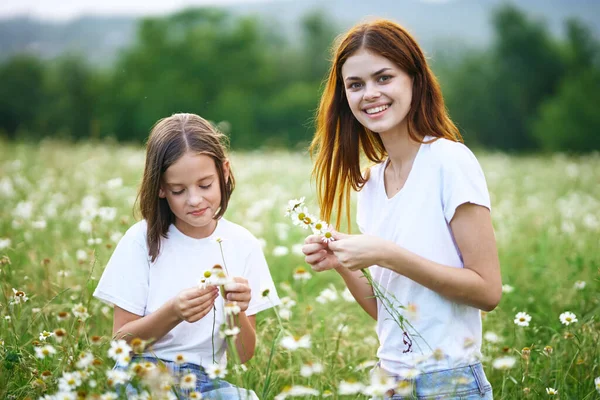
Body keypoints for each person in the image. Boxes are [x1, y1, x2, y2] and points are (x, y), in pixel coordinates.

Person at [303, 19, 501, 399]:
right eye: (355, 85)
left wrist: (387, 254)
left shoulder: (449, 161)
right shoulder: (371, 185)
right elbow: (388, 311)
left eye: (384, 78)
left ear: (414, 79)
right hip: (389, 380)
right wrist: (344, 262)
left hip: (448, 381)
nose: (370, 94)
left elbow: (488, 291)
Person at [94, 113, 280, 399]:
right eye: (178, 190)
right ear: (160, 188)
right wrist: (173, 312)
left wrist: (236, 310)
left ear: (224, 172)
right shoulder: (141, 240)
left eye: (205, 185)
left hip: (205, 380)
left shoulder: (243, 245)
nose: (194, 200)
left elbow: (242, 354)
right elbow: (121, 341)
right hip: (143, 371)